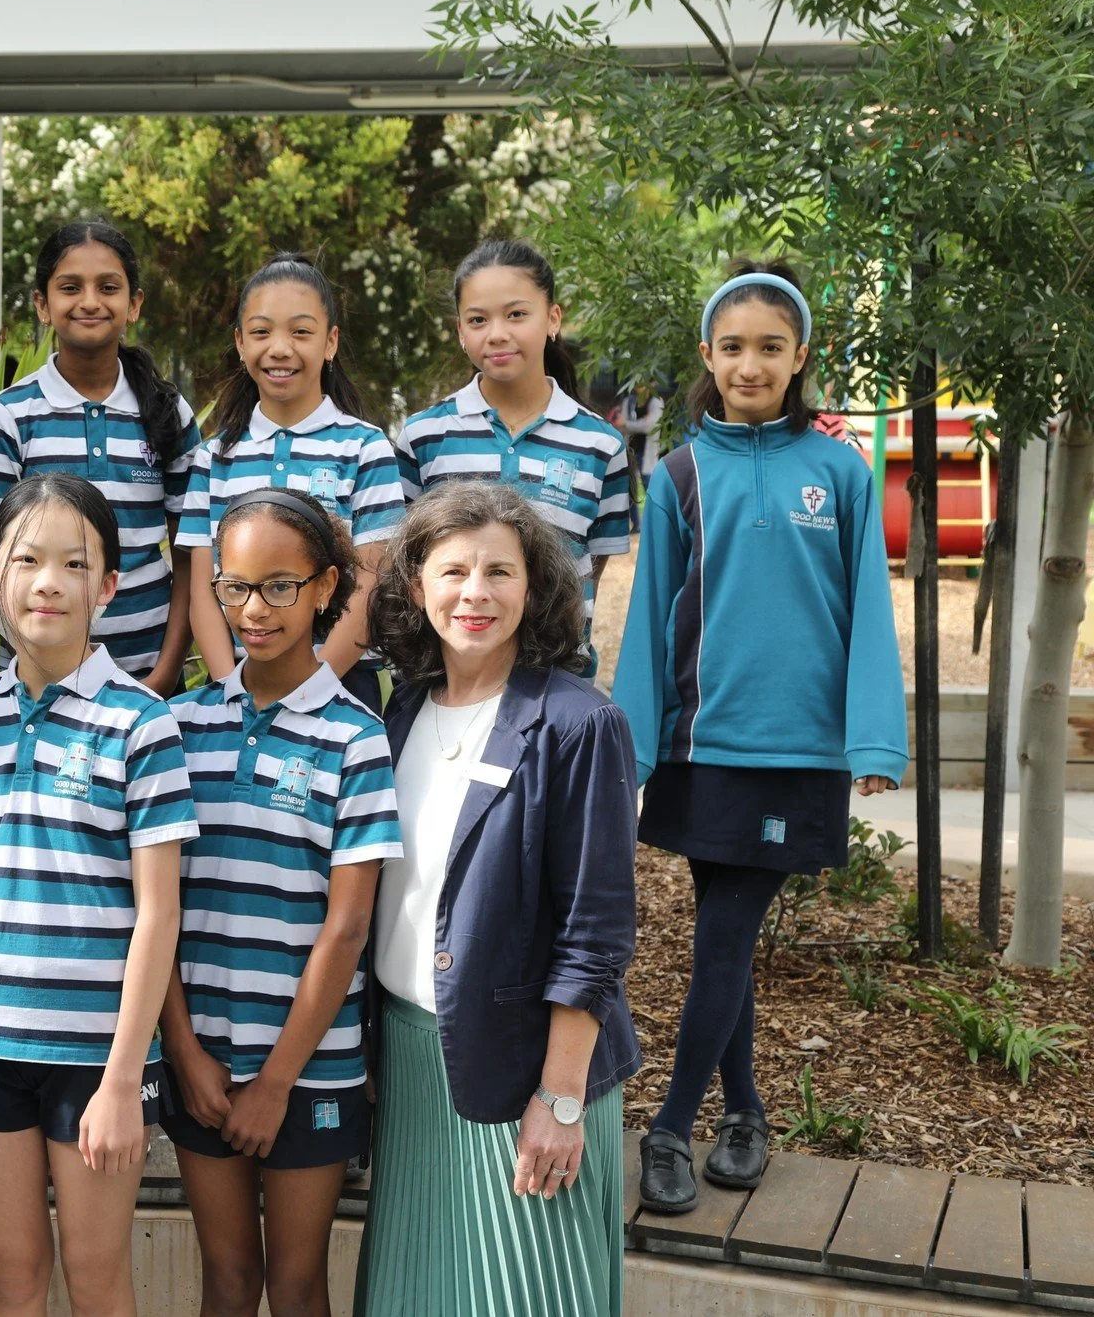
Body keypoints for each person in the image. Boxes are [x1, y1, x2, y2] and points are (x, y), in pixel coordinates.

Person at [613, 262, 905, 1213]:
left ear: (801, 356)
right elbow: (651, 619)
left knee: (725, 935)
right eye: (733, 346)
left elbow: (870, 612)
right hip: (703, 749)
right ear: (708, 355)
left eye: (771, 347)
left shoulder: (842, 472)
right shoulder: (679, 474)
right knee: (723, 938)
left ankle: (670, 1124)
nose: (751, 363)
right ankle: (743, 1112)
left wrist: (873, 742)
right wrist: (632, 750)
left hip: (799, 754)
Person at [355, 481, 640, 1317]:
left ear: (535, 586)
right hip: (412, 1061)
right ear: (417, 587)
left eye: (498, 572)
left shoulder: (579, 724)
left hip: (526, 1070)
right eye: (452, 571)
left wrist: (559, 1098)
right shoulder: (403, 711)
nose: (474, 593)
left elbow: (596, 932)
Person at [0, 472, 198, 1317]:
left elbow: (159, 913)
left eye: (74, 564)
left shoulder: (142, 723)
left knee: (96, 1277)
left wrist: (123, 1078)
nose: (48, 582)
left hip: (97, 1055)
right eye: (27, 559)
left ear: (108, 585)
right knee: (13, 1276)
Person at [162, 488, 401, 1317]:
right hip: (204, 1061)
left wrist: (276, 1081)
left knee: (298, 1287)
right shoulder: (176, 727)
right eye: (234, 586)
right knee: (228, 1280)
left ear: (326, 586)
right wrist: (184, 1050)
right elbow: (156, 911)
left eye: (279, 586)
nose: (254, 609)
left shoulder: (356, 737)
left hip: (310, 1065)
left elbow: (348, 927)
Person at [0, 221, 203, 693]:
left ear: (134, 303)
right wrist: (41, 667)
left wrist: (164, 674)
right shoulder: (10, 416)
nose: (90, 301)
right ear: (42, 304)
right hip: (37, 680)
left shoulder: (168, 411)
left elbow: (190, 556)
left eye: (108, 287)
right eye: (70, 287)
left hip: (149, 678)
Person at [177, 253, 405, 712]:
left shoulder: (365, 448)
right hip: (239, 689)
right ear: (240, 343)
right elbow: (203, 588)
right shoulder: (215, 456)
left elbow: (370, 584)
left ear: (330, 342)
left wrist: (311, 690)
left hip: (339, 684)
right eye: (262, 332)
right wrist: (229, 688)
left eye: (301, 332)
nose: (280, 348)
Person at [394, 240, 632, 677]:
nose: (497, 333)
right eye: (478, 320)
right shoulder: (424, 436)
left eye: (516, 314)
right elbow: (409, 559)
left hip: (556, 677)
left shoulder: (601, 444)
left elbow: (591, 566)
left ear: (553, 318)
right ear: (460, 331)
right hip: (444, 677)